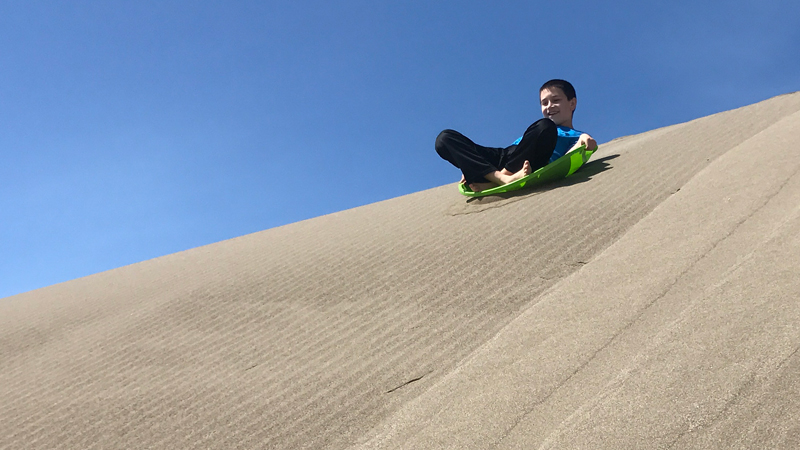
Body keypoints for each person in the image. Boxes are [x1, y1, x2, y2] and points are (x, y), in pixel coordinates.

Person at [435, 79, 598, 192]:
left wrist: (581, 142)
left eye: (555, 100)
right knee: (444, 139)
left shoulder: (575, 135)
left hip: (531, 162)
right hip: (507, 155)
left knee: (545, 126)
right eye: (544, 103)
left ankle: (496, 179)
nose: (549, 107)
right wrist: (471, 162)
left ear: (572, 103)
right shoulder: (540, 126)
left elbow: (569, 161)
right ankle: (500, 178)